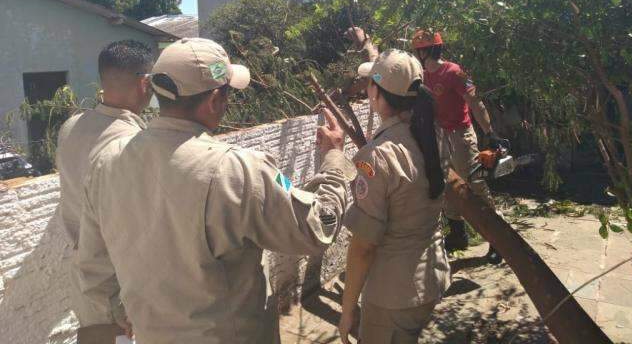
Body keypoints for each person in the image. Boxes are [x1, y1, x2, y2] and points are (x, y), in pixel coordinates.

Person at [77, 37, 356, 344]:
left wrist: (124, 312)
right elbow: (318, 228)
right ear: (213, 101)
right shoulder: (234, 169)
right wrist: (333, 158)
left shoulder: (105, 162)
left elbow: (94, 264)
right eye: (227, 93)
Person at [338, 49, 450, 344]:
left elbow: (363, 247)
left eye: (369, 84)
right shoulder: (434, 135)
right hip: (430, 276)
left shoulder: (376, 158)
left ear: (375, 92)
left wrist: (347, 310)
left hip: (394, 293)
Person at [56, 40, 154, 340]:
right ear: (145, 83)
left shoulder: (71, 126)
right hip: (116, 292)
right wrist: (122, 304)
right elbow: (126, 230)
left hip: (84, 283)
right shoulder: (133, 145)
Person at [411, 29, 503, 264]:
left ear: (432, 49)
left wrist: (489, 133)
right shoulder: (419, 75)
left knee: (476, 184)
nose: (420, 53)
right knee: (447, 186)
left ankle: (498, 241)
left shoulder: (455, 72)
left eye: (422, 48)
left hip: (461, 135)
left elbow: (474, 101)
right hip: (438, 135)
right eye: (417, 49)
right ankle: (458, 234)